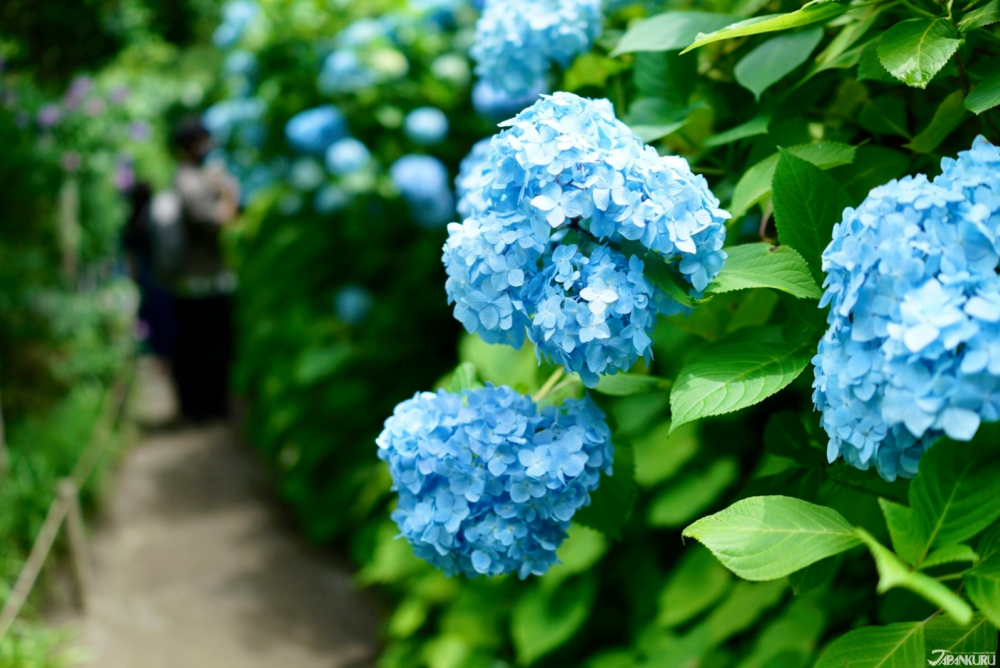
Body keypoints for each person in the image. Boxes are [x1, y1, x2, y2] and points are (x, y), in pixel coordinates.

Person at [169, 116, 240, 421]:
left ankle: (208, 407)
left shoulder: (193, 176)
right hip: (200, 282)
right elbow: (214, 220)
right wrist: (228, 191)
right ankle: (203, 409)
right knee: (205, 347)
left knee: (207, 347)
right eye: (201, 141)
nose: (207, 146)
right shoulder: (189, 179)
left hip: (206, 279)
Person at [122, 181, 177, 365]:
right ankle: (164, 353)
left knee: (152, 313)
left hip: (147, 274)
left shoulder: (134, 220)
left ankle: (159, 353)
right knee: (162, 313)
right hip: (159, 273)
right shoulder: (153, 217)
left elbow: (130, 254)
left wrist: (134, 275)